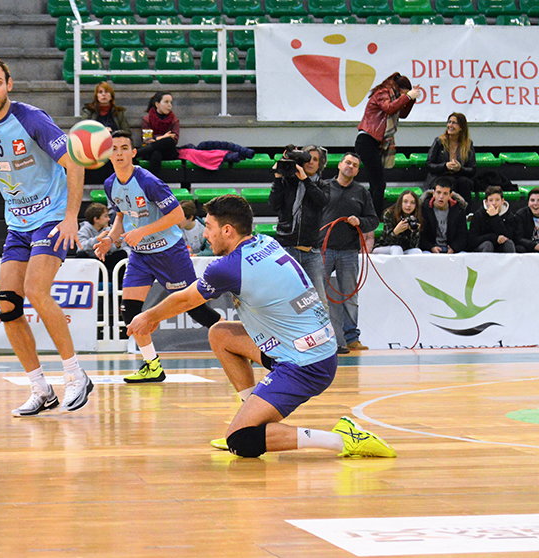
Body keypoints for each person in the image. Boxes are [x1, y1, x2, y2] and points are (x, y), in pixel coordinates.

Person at [127, 194, 396, 459]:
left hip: (305, 364)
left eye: (209, 227)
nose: (206, 234)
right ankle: (249, 414)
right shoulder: (265, 241)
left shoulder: (228, 267)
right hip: (312, 347)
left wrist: (148, 317)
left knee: (240, 440)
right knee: (220, 334)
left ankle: (341, 439)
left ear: (228, 230)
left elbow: (186, 298)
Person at [0, 55, 92, 416]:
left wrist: (71, 217)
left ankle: (76, 375)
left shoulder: (31, 119)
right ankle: (41, 389)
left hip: (51, 218)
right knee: (8, 305)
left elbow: (74, 162)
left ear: (9, 84)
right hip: (18, 224)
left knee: (36, 290)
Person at [94, 130, 221, 383]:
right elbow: (121, 215)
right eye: (114, 148)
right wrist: (110, 238)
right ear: (109, 154)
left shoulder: (147, 181)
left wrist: (142, 231)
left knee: (196, 311)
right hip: (140, 257)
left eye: (123, 148)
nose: (118, 153)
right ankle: (152, 365)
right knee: (131, 314)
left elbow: (176, 215)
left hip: (168, 252)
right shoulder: (110, 184)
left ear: (133, 153)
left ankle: (248, 345)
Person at [320, 152, 379, 353]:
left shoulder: (362, 193)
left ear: (357, 170)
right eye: (348, 162)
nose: (350, 166)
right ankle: (317, 336)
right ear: (339, 165)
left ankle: (352, 338)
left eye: (354, 164)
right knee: (316, 294)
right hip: (323, 250)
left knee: (350, 296)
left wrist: (360, 222)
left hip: (348, 251)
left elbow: (373, 220)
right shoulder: (324, 187)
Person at [268, 145, 330, 306]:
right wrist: (277, 177)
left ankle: (325, 332)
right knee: (284, 298)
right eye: (307, 158)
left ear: (320, 164)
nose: (310, 163)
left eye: (315, 160)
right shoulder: (287, 182)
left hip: (311, 252)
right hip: (287, 249)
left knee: (320, 300)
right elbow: (273, 204)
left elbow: (322, 201)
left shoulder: (323, 185)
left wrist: (305, 180)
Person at [354, 72, 419, 217]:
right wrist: (408, 97)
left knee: (376, 181)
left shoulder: (394, 96)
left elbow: (402, 113)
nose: (404, 96)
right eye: (404, 92)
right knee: (378, 182)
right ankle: (374, 216)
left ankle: (370, 213)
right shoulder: (383, 93)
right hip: (367, 140)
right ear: (399, 88)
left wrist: (411, 100)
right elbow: (389, 108)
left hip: (375, 142)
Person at [425, 113, 476, 207]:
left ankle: (467, 212)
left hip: (459, 176)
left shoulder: (468, 144)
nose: (450, 125)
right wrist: (445, 166)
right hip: (439, 176)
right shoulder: (439, 141)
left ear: (461, 127)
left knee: (464, 182)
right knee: (450, 181)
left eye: (454, 123)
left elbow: (472, 169)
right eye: (449, 122)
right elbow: (429, 165)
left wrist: (460, 169)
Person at [419, 177, 468, 254]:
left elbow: (462, 236)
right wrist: (431, 247)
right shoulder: (424, 209)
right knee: (424, 255)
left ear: (450, 195)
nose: (441, 197)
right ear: (433, 193)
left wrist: (454, 248)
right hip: (430, 250)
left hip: (452, 250)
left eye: (445, 193)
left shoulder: (458, 210)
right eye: (438, 192)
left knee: (463, 255)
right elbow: (421, 236)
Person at [135, 91, 179, 177]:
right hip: (151, 152)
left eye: (171, 102)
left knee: (169, 140)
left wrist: (155, 139)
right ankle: (153, 183)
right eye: (166, 102)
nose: (170, 105)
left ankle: (137, 153)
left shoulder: (174, 120)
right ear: (157, 104)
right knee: (156, 153)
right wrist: (164, 137)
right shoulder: (147, 119)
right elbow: (146, 140)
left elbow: (174, 140)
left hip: (168, 152)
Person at [77, 202, 128, 272]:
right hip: (90, 261)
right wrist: (98, 239)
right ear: (96, 219)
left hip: (104, 259)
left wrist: (117, 246)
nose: (108, 219)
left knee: (122, 253)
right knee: (81, 255)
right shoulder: (84, 229)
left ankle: (116, 281)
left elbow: (113, 249)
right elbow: (81, 247)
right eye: (105, 216)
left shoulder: (109, 229)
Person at [373, 189, 426, 255]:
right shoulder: (389, 214)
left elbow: (414, 246)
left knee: (417, 251)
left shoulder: (417, 217)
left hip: (404, 250)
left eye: (412, 203)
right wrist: (395, 232)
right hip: (384, 247)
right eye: (405, 202)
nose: (408, 205)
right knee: (397, 249)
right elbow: (386, 241)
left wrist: (414, 232)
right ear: (400, 203)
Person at [468, 185, 518, 253]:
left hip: (501, 246)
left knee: (509, 243)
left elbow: (509, 236)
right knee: (488, 245)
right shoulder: (478, 215)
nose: (494, 203)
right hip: (482, 247)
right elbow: (472, 240)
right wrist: (494, 238)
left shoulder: (509, 216)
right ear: (486, 202)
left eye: (497, 200)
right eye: (491, 200)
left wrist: (495, 217)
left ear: (502, 201)